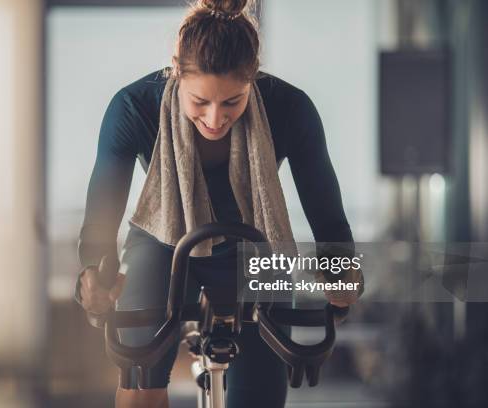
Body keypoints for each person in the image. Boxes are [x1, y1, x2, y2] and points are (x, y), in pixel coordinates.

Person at [77, 1, 363, 407]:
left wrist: (343, 276)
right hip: (162, 243)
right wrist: (94, 276)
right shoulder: (133, 108)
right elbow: (100, 226)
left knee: (260, 396)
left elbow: (328, 220)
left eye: (232, 101)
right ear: (176, 72)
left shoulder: (291, 108)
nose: (215, 118)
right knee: (140, 383)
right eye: (200, 102)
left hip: (257, 246)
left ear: (253, 80)